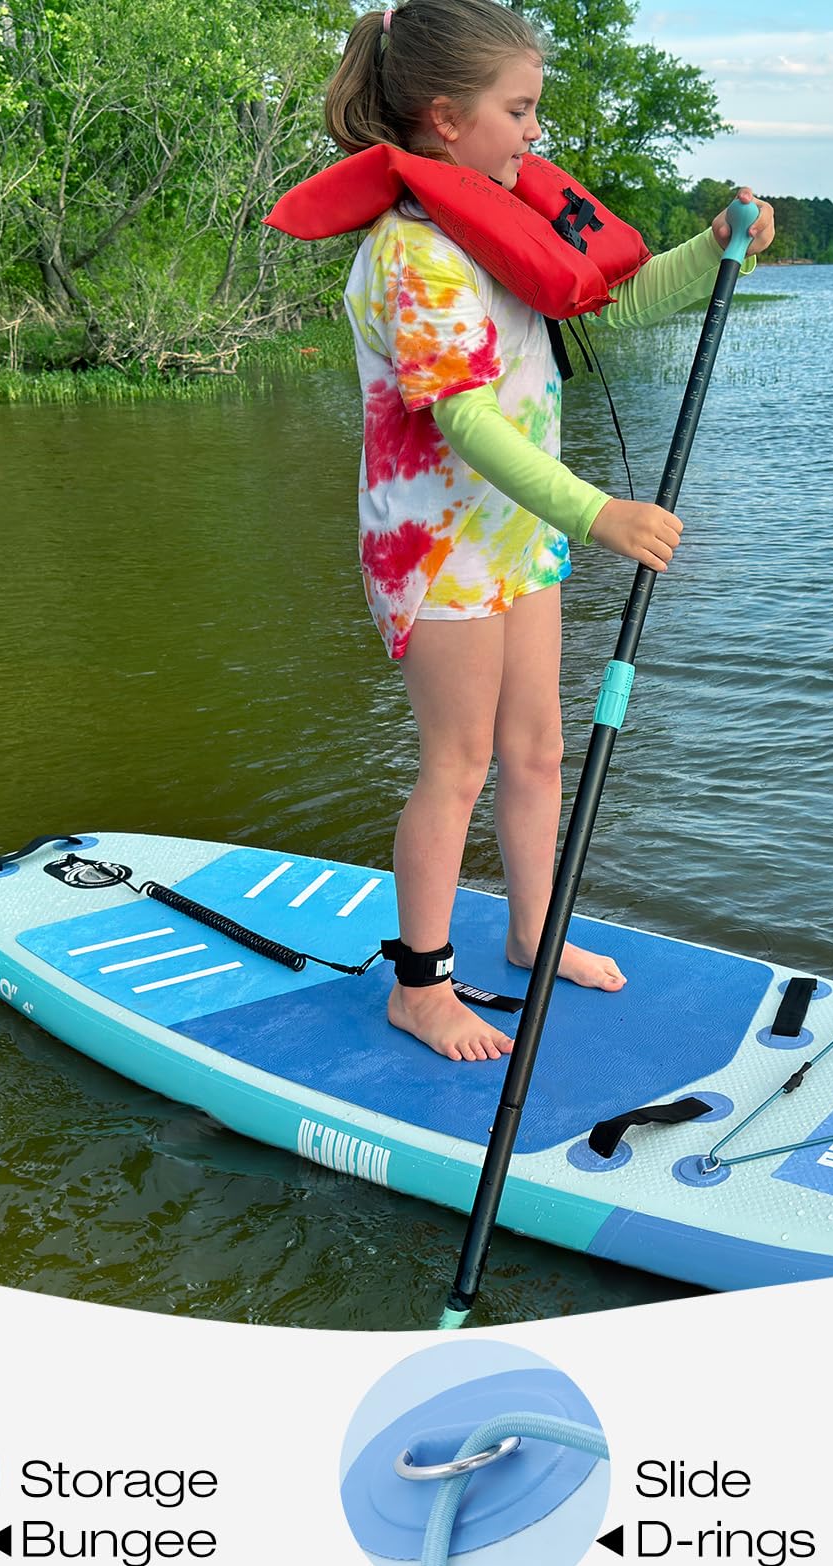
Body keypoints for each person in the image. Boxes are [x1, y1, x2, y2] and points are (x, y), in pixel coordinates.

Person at [327, 0, 775, 1059]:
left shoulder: (502, 216)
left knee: (536, 750)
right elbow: (465, 418)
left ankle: (531, 931)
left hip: (517, 534)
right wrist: (599, 509)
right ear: (445, 119)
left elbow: (606, 305)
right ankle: (421, 984)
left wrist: (710, 248)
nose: (535, 133)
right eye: (518, 109)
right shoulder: (411, 254)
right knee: (459, 763)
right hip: (437, 543)